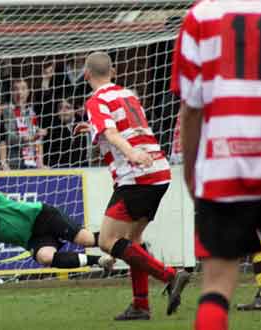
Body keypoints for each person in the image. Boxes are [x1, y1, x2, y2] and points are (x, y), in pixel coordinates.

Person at [172, 1, 261, 329]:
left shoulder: (199, 15)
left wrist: (192, 173)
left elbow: (191, 109)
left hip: (222, 171)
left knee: (217, 285)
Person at [81, 51, 190, 321]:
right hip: (158, 171)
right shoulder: (129, 95)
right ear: (114, 72)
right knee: (133, 241)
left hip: (136, 174)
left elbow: (112, 133)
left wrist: (130, 154)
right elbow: (124, 126)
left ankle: (170, 275)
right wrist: (91, 128)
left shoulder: (95, 100)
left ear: (86, 75)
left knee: (107, 241)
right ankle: (140, 305)